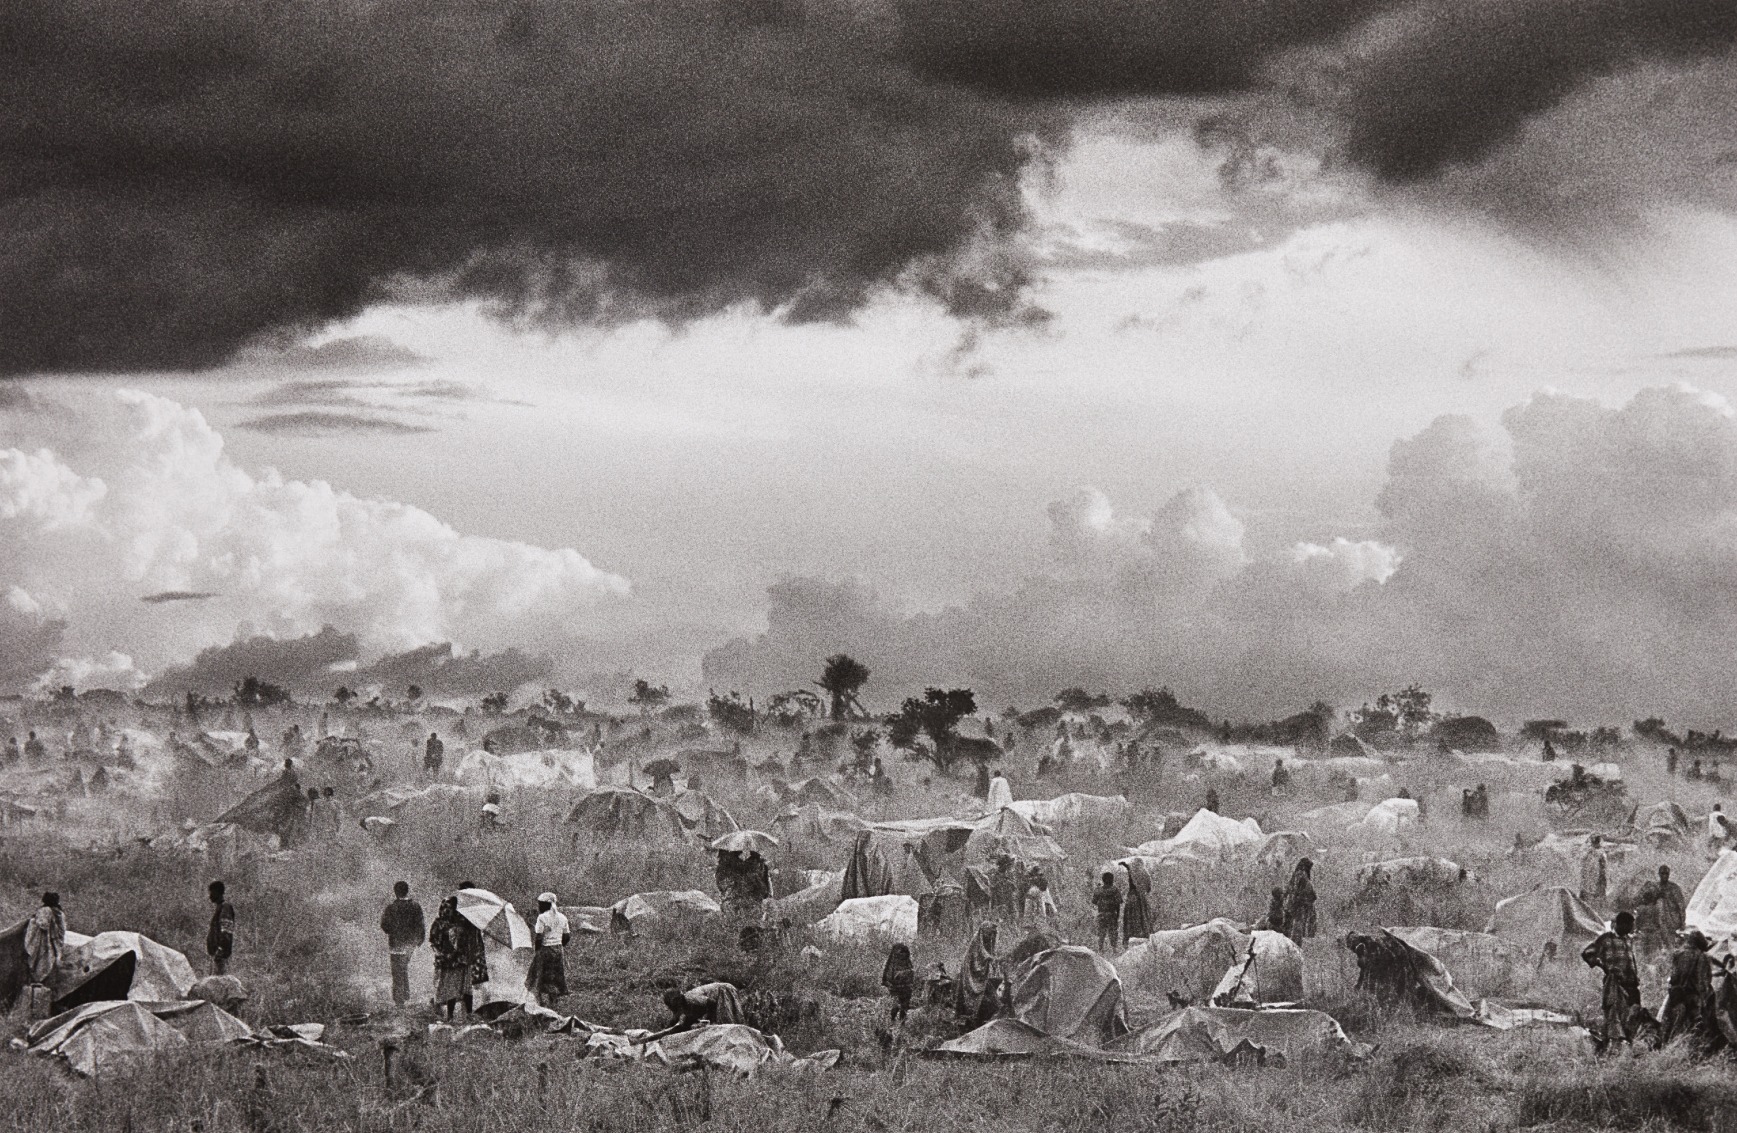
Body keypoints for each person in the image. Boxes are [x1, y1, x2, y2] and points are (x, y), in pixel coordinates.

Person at [1583, 911, 1641, 1050]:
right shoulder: (1605, 938)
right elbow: (1587, 953)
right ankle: (1609, 1046)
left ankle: (1629, 1045)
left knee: (1633, 1014)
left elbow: (1630, 960)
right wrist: (1604, 966)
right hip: (1615, 983)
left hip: (1631, 983)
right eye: (1629, 925)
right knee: (1614, 1014)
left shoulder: (1628, 939)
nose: (1631, 928)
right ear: (1621, 924)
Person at [1660, 929, 1719, 1050]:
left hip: (1677, 994)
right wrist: (1705, 998)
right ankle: (1694, 1049)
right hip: (1693, 995)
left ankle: (1671, 1047)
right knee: (1696, 1024)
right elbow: (1702, 980)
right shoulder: (1701, 956)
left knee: (1674, 1022)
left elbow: (1673, 975)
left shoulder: (1678, 954)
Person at [380, 881, 426, 1008]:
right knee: (403, 967)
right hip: (410, 944)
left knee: (397, 971)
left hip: (396, 944)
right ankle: (405, 994)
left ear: (395, 892)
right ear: (407, 891)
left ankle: (399, 1000)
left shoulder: (391, 907)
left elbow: (384, 925)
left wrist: (392, 931)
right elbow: (421, 925)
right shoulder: (415, 906)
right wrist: (419, 940)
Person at [645, 982, 745, 1040]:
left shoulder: (690, 998)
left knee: (726, 1023)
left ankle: (738, 1039)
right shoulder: (684, 1008)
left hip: (723, 991)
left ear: (678, 1001)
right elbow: (674, 1024)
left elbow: (711, 1003)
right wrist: (659, 1036)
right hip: (716, 998)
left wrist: (710, 1020)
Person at [430, 896, 475, 1020]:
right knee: (451, 988)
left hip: (460, 959)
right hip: (450, 960)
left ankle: (466, 1015)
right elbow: (434, 942)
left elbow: (468, 940)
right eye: (445, 908)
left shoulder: (464, 922)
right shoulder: (440, 924)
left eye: (449, 908)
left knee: (463, 988)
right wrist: (441, 954)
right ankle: (449, 1014)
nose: (446, 911)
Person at [526, 892, 570, 1007]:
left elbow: (539, 936)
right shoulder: (563, 917)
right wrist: (559, 945)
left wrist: (537, 950)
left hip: (545, 949)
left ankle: (539, 1002)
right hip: (559, 950)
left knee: (538, 975)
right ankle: (553, 1001)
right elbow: (566, 936)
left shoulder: (542, 917)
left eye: (540, 904)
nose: (539, 906)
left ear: (545, 905)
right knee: (555, 975)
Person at [954, 924, 1001, 1021]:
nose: (991, 937)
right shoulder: (976, 943)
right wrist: (990, 959)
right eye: (989, 934)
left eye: (993, 934)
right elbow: (977, 962)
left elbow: (990, 956)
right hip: (972, 975)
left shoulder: (987, 942)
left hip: (981, 976)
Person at [23, 892, 66, 985]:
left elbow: (43, 925)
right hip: (54, 941)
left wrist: (33, 921)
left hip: (44, 940)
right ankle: (40, 980)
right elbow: (62, 930)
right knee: (49, 960)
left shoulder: (44, 911)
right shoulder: (60, 913)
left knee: (40, 959)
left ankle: (37, 979)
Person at [1282, 859, 1317, 944]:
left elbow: (1289, 889)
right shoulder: (1303, 875)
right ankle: (1295, 944)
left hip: (1292, 904)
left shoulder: (1296, 875)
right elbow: (1309, 892)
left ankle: (1288, 942)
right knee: (1298, 925)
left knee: (1290, 925)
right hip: (1298, 904)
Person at [881, 943, 915, 1023]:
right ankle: (898, 1022)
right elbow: (911, 972)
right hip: (901, 987)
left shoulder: (894, 960)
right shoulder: (903, 960)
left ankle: (896, 1021)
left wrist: (887, 982)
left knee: (899, 1005)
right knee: (902, 1006)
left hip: (899, 987)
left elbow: (887, 974)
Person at [1120, 860, 1153, 942]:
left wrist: (1126, 866)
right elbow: (1148, 888)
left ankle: (1129, 937)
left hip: (1132, 897)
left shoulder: (1133, 872)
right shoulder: (1145, 874)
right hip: (1142, 899)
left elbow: (1131, 873)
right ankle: (1144, 936)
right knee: (1143, 918)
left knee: (1130, 918)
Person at [207, 880, 235, 975]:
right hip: (217, 955)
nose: (210, 896)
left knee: (219, 984)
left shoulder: (225, 907)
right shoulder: (220, 908)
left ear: (218, 892)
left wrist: (221, 949)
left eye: (212, 893)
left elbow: (226, 931)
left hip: (220, 956)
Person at [1092, 872, 1123, 953]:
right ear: (1112, 880)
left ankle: (1100, 949)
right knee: (1113, 932)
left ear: (1103, 880)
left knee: (1101, 932)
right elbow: (1118, 903)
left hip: (1101, 913)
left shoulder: (1099, 890)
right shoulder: (1115, 889)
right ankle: (1114, 949)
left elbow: (1094, 901)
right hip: (1112, 914)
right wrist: (1118, 915)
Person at [1580, 834, 1608, 903]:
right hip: (1591, 874)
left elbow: (1603, 865)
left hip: (1595, 874)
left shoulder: (1597, 853)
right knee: (1590, 887)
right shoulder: (1590, 852)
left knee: (1595, 888)